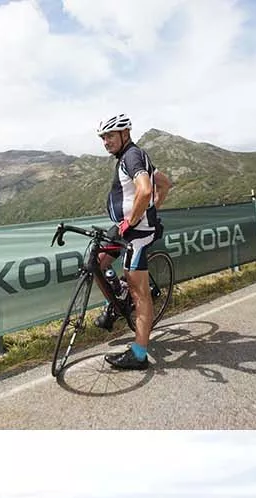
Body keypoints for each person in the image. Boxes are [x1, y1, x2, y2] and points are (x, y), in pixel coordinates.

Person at [92, 113, 173, 370]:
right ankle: (115, 304)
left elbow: (146, 189)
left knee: (140, 293)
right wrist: (152, 209)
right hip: (125, 228)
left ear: (125, 134)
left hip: (136, 234)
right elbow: (165, 183)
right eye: (103, 137)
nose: (106, 141)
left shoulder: (132, 156)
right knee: (97, 262)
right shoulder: (130, 157)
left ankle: (139, 354)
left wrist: (136, 218)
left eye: (110, 136)